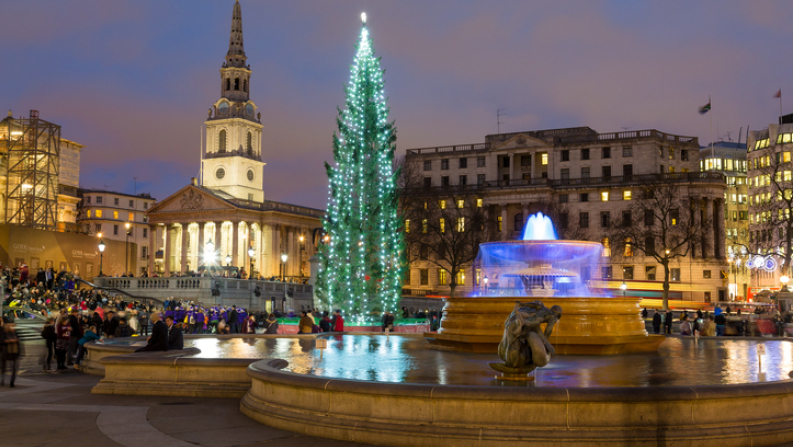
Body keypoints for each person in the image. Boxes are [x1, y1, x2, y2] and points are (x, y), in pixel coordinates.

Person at [0, 318, 20, 387]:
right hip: (6, 352)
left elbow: (19, 342)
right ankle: (2, 380)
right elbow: (2, 341)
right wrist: (10, 341)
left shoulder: (16, 333)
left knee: (13, 368)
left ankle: (12, 382)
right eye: (12, 326)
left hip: (15, 353)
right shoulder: (5, 332)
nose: (13, 327)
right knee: (4, 367)